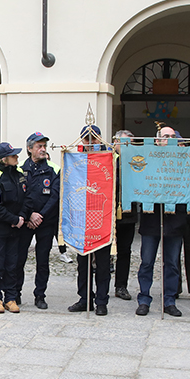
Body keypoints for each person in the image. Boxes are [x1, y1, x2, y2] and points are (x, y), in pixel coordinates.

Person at [136, 126, 186, 317]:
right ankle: (144, 299)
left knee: (172, 263)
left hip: (175, 220)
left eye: (173, 136)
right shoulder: (148, 160)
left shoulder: (184, 162)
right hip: (151, 219)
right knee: (147, 262)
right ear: (157, 141)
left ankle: (169, 300)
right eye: (166, 137)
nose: (170, 139)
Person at [69, 125, 113, 316]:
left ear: (100, 139)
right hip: (81, 220)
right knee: (83, 263)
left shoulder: (110, 158)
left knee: (103, 264)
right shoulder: (74, 159)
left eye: (94, 138)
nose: (90, 142)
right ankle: (85, 299)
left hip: (102, 219)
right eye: (86, 139)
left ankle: (101, 301)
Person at [0, 142, 27, 313]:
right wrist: (14, 219)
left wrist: (21, 217)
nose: (17, 157)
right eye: (13, 155)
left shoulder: (18, 173)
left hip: (15, 227)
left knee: (12, 264)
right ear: (4, 159)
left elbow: (25, 196)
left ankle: (10, 297)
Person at [18, 132, 59, 310]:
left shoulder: (53, 169)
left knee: (43, 261)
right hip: (25, 222)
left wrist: (39, 215)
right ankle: (15, 292)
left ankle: (40, 295)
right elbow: (19, 196)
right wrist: (28, 216)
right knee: (18, 259)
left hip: (45, 222)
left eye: (44, 146)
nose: (43, 149)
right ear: (30, 149)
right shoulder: (19, 169)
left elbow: (55, 197)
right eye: (39, 146)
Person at [112, 130, 137, 301]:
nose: (127, 147)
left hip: (128, 213)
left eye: (130, 143)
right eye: (124, 143)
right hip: (108, 213)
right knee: (103, 251)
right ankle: (100, 285)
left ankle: (121, 286)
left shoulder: (137, 162)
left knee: (124, 252)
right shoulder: (107, 159)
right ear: (115, 143)